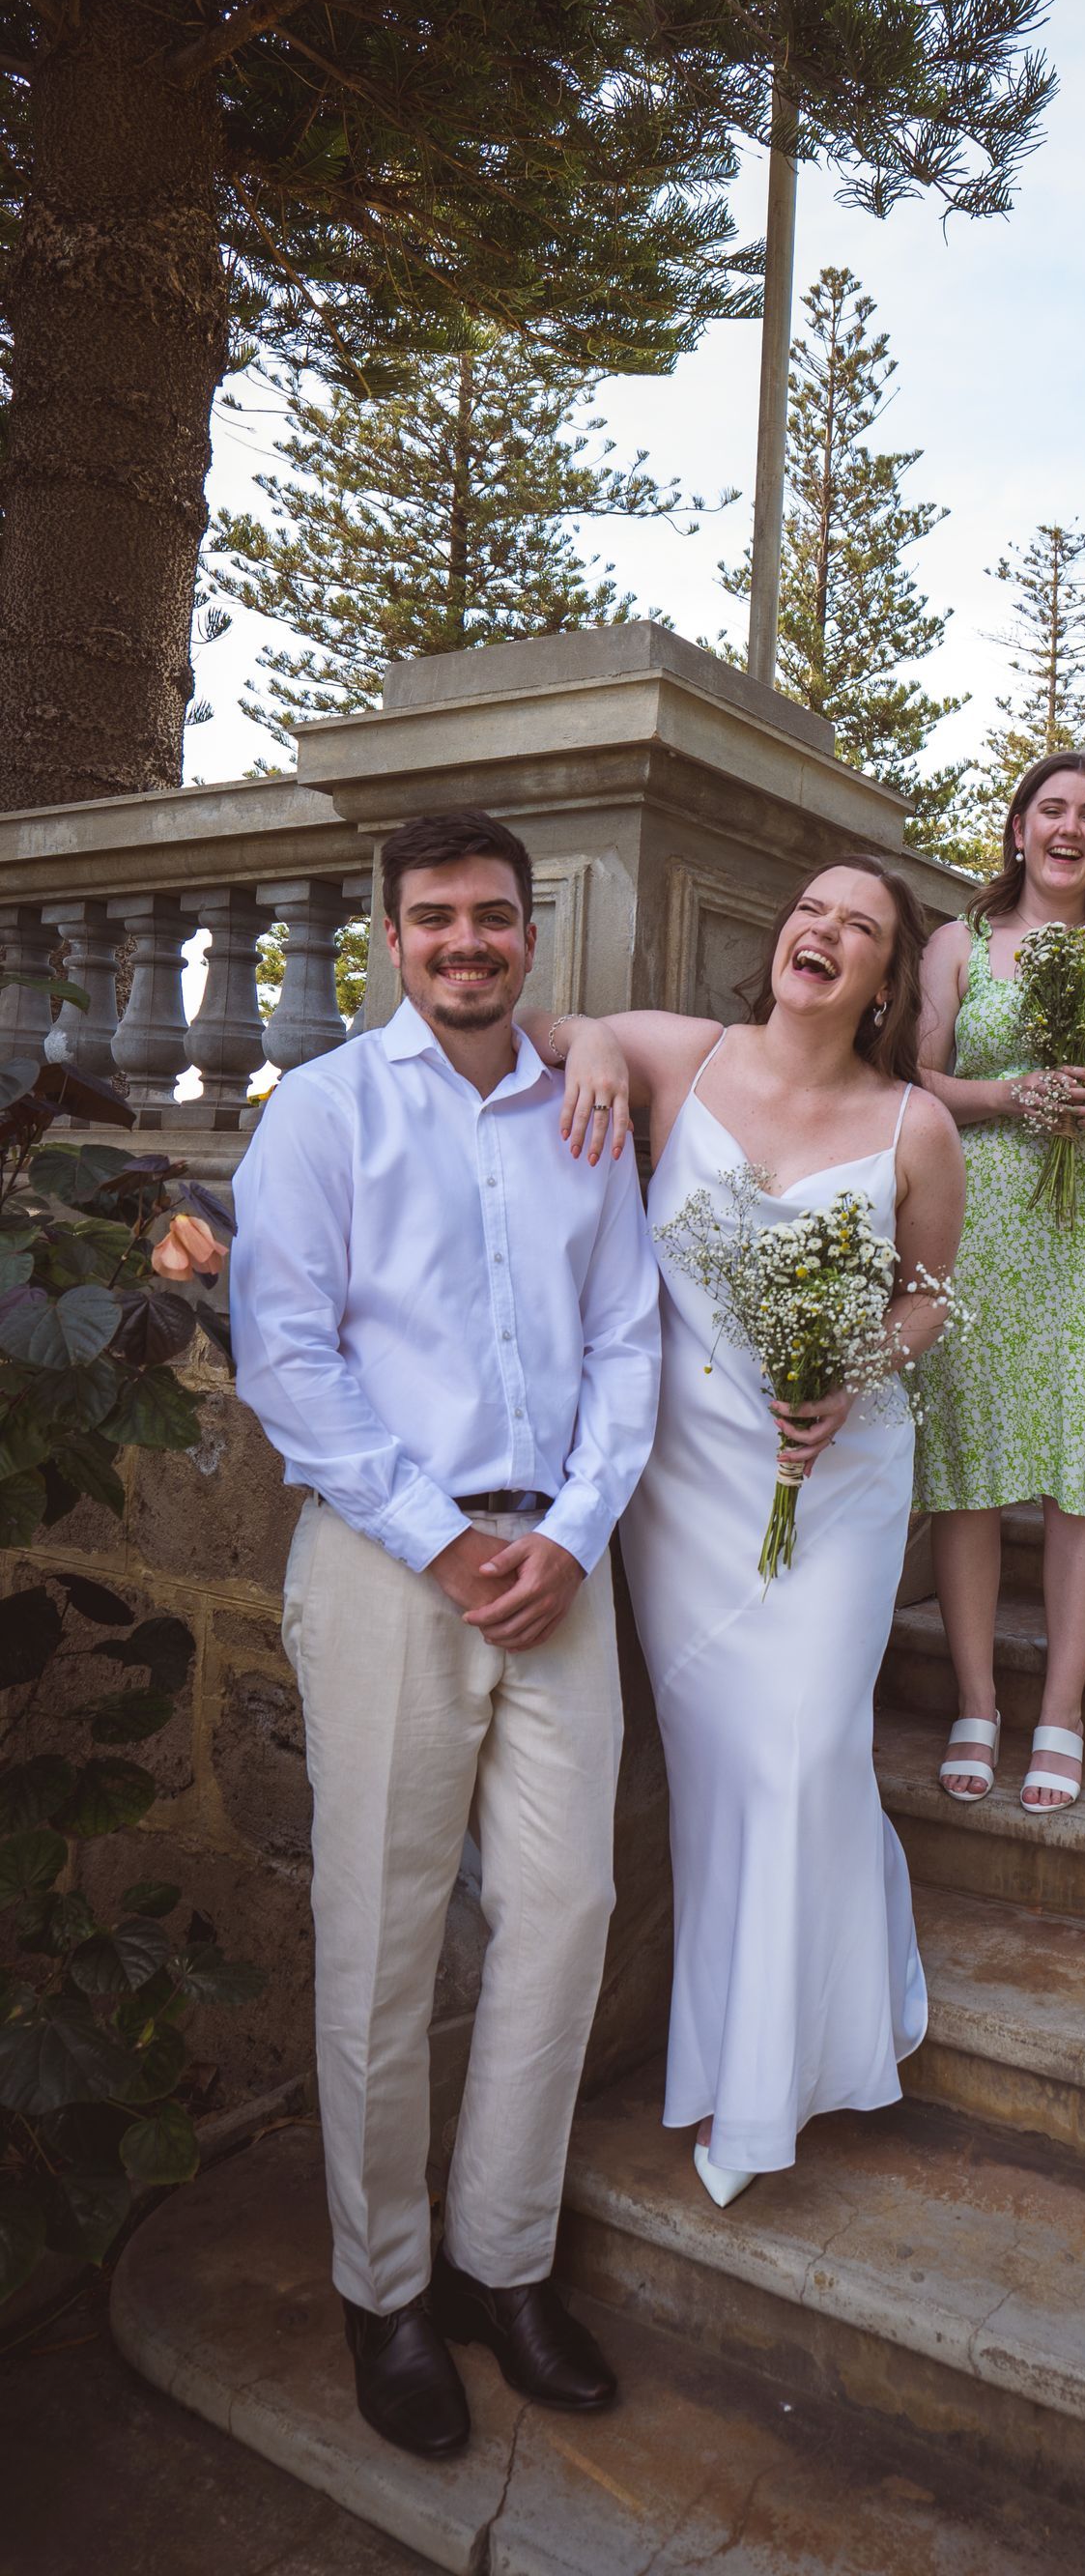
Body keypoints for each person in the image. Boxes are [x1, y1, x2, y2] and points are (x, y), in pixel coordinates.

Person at [231, 808, 662, 2462]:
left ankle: (502, 2262)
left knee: (564, 1913)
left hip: (558, 1559)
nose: (466, 942)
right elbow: (287, 1357)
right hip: (389, 1567)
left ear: (528, 935)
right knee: (384, 1936)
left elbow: (627, 1339)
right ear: (391, 939)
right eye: (435, 919)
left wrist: (569, 1532)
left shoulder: (583, 1110)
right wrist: (438, 1541)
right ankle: (386, 2290)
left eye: (492, 916)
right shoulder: (328, 1112)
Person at [546, 858, 965, 2209]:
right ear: (781, 938)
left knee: (804, 1748)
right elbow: (541, 1031)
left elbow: (930, 1299)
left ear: (887, 978)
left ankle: (769, 2089)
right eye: (810, 911)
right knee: (738, 1772)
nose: (825, 932)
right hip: (691, 1486)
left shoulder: (915, 1127)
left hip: (835, 1479)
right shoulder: (686, 1053)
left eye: (862, 928)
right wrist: (603, 1044)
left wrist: (854, 1374)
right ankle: (813, 2020)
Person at [912, 752, 1085, 1814]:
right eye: (1051, 810)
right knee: (971, 1470)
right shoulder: (959, 946)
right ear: (1019, 828)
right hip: (980, 1225)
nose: (1070, 828)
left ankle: (1062, 1710)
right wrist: (1008, 1092)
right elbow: (916, 1077)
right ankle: (977, 1700)